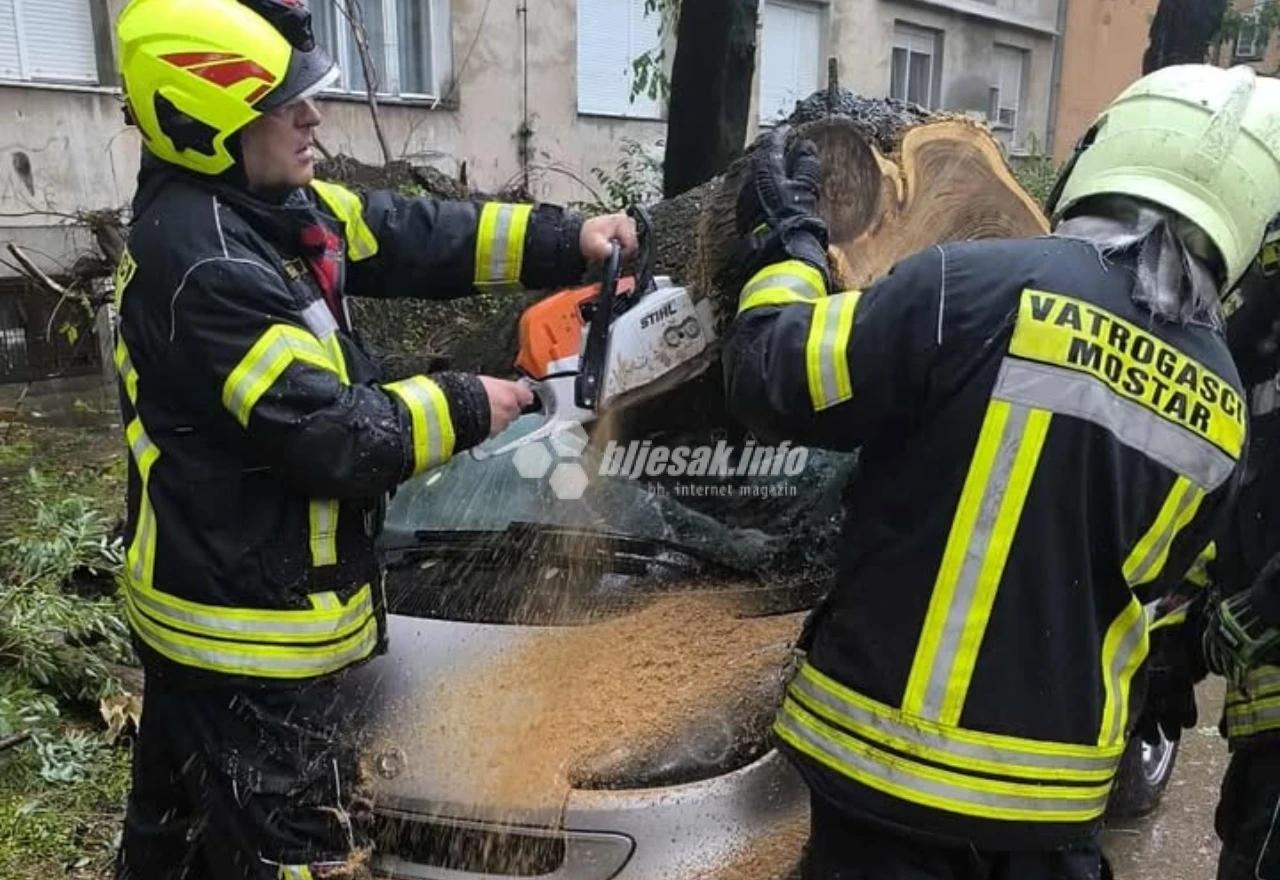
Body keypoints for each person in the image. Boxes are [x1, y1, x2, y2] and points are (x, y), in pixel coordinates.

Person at [109, 1, 635, 877]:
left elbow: (405, 233)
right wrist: (475, 401)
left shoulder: (265, 210)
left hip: (218, 615)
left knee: (177, 849)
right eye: (286, 103)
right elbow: (336, 436)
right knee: (303, 860)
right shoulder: (207, 270)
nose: (313, 117)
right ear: (207, 121)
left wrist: (565, 239)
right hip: (248, 646)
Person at [723, 64, 1280, 879]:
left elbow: (776, 376)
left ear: (1103, 154)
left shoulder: (970, 284)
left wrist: (786, 244)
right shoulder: (1222, 399)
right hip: (1053, 814)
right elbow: (1163, 580)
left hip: (882, 783)